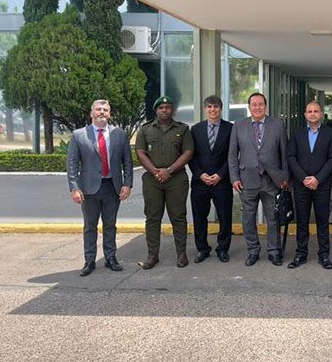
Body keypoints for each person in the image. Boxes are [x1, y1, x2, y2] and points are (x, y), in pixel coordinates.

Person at [67, 99, 133, 277]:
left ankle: (111, 258)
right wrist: (74, 187)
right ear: (91, 113)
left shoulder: (120, 134)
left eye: (105, 109)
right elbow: (72, 163)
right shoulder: (79, 135)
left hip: (113, 187)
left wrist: (127, 183)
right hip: (89, 189)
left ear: (110, 114)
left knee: (110, 225)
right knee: (90, 226)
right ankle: (89, 260)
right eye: (98, 109)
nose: (102, 112)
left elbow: (127, 161)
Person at [229, 92, 289, 267]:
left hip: (272, 180)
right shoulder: (239, 125)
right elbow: (232, 154)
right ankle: (253, 251)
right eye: (254, 104)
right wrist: (234, 178)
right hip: (247, 179)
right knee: (248, 218)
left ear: (265, 106)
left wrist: (285, 177)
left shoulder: (277, 125)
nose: (257, 107)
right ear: (249, 107)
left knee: (273, 217)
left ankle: (273, 251)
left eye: (260, 104)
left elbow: (284, 154)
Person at [135, 96, 194, 269]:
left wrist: (168, 171)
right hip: (152, 179)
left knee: (178, 217)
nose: (164, 110)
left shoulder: (182, 129)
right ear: (156, 110)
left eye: (167, 107)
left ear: (172, 110)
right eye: (161, 107)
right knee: (153, 217)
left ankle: (181, 254)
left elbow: (188, 152)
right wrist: (155, 171)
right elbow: (140, 152)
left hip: (176, 179)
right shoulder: (146, 129)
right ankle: (152, 255)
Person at [287, 101, 332, 270]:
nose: (312, 114)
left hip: (322, 185)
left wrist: (317, 179)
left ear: (321, 114)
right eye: (309, 111)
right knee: (301, 220)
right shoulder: (296, 133)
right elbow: (291, 157)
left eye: (316, 111)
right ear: (305, 114)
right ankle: (301, 253)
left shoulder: (331, 133)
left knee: (322, 220)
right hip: (301, 185)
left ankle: (324, 255)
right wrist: (303, 178)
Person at [188, 95, 233, 264]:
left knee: (224, 216)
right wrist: (200, 174)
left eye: (215, 107)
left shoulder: (230, 129)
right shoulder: (196, 129)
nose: (212, 110)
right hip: (201, 182)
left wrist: (220, 174)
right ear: (205, 109)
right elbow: (191, 155)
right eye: (209, 107)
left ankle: (223, 248)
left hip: (222, 181)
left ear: (221, 109)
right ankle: (202, 249)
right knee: (200, 217)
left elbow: (233, 155)